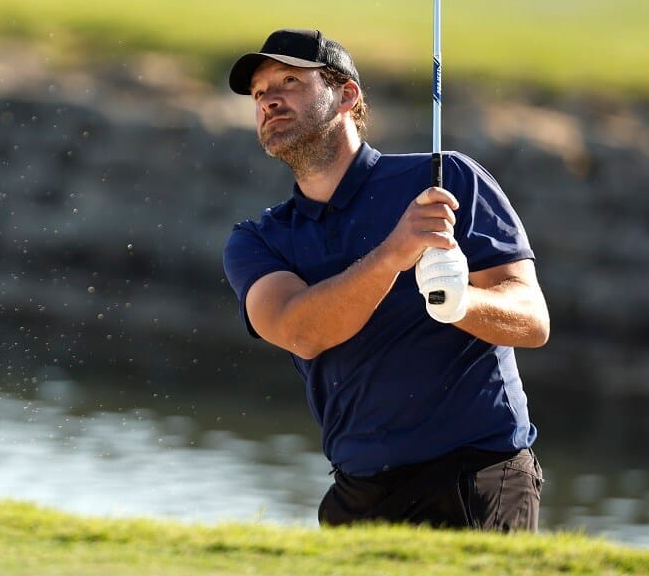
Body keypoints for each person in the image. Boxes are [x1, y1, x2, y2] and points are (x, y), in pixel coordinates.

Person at [222, 28, 550, 531]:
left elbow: (531, 321)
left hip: (477, 475)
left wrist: (461, 304)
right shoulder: (258, 239)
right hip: (360, 489)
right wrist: (394, 253)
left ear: (346, 95)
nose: (270, 100)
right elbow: (301, 332)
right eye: (261, 93)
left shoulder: (446, 180)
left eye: (289, 81)